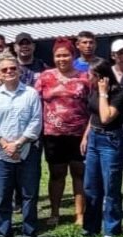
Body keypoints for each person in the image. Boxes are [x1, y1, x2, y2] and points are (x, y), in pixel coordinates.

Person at [0, 54, 43, 237]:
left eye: (12, 68)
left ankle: (30, 235)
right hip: (2, 155)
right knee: (3, 197)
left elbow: (35, 123)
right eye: (4, 70)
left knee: (29, 195)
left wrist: (17, 144)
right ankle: (4, 235)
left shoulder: (31, 94)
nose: (9, 72)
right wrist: (5, 145)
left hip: (27, 151)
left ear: (19, 70)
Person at [35, 40, 91, 227]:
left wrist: (88, 133)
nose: (62, 59)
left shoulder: (85, 77)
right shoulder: (45, 77)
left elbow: (92, 107)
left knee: (79, 173)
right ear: (53, 57)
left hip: (78, 134)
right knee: (56, 174)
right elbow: (35, 104)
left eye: (66, 55)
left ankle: (80, 215)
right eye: (58, 55)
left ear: (73, 56)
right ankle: (55, 212)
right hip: (53, 135)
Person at [80, 60, 123, 237]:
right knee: (91, 186)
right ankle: (90, 227)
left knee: (110, 187)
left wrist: (103, 94)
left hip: (111, 141)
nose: (87, 78)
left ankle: (111, 230)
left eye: (91, 75)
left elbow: (106, 117)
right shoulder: (93, 90)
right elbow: (94, 115)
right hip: (94, 137)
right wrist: (86, 135)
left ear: (101, 77)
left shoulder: (119, 92)